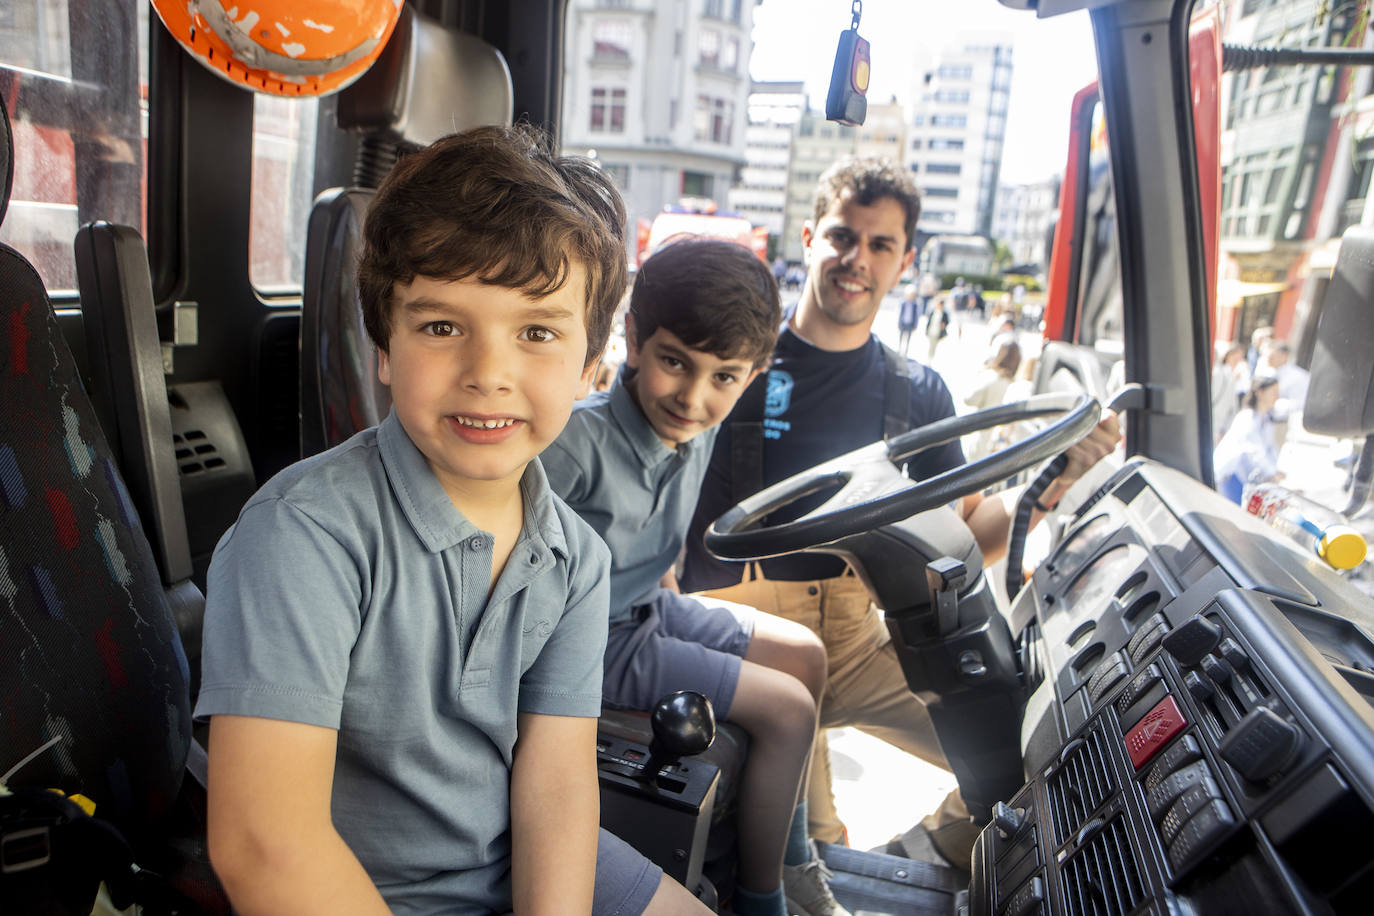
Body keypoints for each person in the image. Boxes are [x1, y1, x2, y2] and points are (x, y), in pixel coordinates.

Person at [197, 125, 710, 916]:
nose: (488, 374)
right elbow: (267, 844)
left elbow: (556, 784)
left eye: (537, 332)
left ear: (591, 368)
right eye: (441, 327)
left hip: (508, 855)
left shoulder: (577, 558)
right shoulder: (305, 536)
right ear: (383, 346)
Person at [679, 154, 1120, 872]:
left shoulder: (918, 392)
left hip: (860, 637)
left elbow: (967, 539)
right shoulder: (736, 365)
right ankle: (825, 863)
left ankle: (919, 858)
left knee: (1028, 760)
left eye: (880, 244)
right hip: (751, 635)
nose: (857, 260)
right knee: (797, 856)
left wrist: (1055, 481)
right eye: (842, 237)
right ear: (809, 236)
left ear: (904, 260)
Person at [541, 238, 843, 916]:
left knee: (805, 654)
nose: (694, 397)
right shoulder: (574, 447)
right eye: (675, 363)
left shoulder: (694, 429)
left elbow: (658, 561)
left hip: (648, 608)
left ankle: (793, 856)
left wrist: (685, 620)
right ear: (634, 338)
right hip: (588, 643)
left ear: (754, 372)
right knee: (788, 709)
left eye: (724, 377)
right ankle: (762, 899)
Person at [1215, 375, 1282, 504]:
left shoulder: (1266, 419)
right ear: (1260, 392)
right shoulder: (1246, 418)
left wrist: (1276, 470)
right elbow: (1255, 451)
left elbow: (1270, 448)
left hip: (1246, 478)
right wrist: (1272, 473)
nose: (1276, 396)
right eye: (1273, 392)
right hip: (1231, 476)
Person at [963, 337, 1022, 461]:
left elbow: (968, 399)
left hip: (981, 440)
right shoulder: (1015, 385)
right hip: (1000, 448)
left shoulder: (990, 377)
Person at [1210, 342, 1246, 444]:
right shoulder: (1221, 373)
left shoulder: (1229, 374)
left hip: (1217, 425)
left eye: (1240, 359)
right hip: (1215, 423)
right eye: (1235, 357)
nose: (1237, 361)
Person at [897, 283, 921, 356]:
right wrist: (899, 323)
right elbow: (900, 314)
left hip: (910, 323)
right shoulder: (903, 303)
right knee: (901, 337)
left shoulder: (915, 304)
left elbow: (916, 316)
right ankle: (899, 349)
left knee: (908, 338)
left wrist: (915, 325)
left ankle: (905, 351)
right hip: (903, 322)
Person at [925, 295, 950, 362]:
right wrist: (926, 330)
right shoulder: (933, 311)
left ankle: (930, 358)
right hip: (931, 330)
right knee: (931, 344)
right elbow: (929, 321)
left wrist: (944, 325)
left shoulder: (944, 314)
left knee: (934, 345)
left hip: (938, 332)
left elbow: (947, 322)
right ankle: (929, 357)